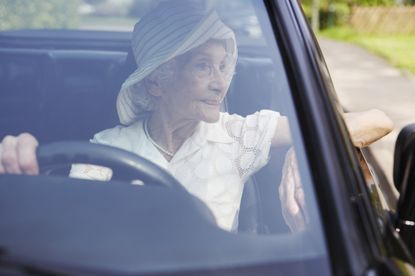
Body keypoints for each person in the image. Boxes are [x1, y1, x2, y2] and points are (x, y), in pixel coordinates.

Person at [0, 1, 393, 232]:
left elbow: (377, 119)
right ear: (157, 82)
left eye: (224, 66)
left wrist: (304, 147)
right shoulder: (107, 147)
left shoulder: (239, 135)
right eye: (203, 66)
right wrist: (25, 174)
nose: (221, 83)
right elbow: (74, 231)